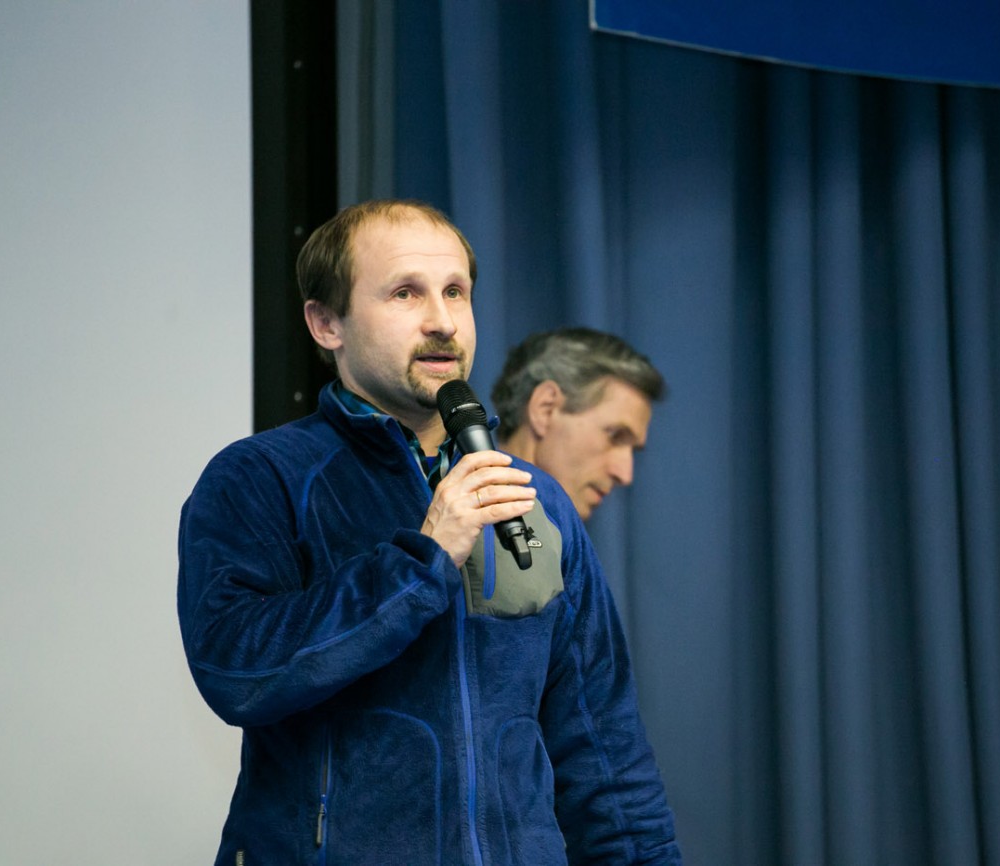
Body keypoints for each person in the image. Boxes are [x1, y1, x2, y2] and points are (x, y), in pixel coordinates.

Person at [177, 199, 680, 865]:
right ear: (326, 323)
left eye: (455, 292)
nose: (442, 321)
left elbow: (605, 753)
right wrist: (423, 560)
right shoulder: (260, 476)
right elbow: (237, 670)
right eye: (405, 293)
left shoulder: (537, 501)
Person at [492, 327, 664, 521]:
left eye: (633, 450)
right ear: (545, 409)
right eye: (615, 436)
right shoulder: (469, 532)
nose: (625, 475)